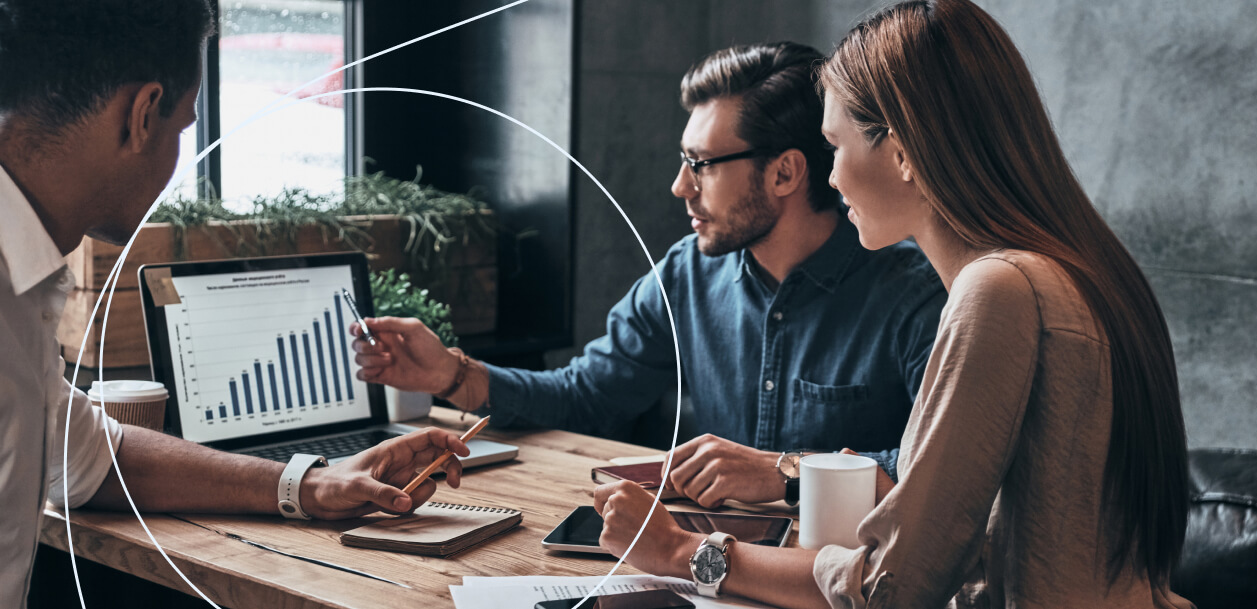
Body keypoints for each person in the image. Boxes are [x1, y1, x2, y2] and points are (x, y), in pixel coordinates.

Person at [592, 1, 1194, 608]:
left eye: (836, 147)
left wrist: (679, 551)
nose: (829, 178)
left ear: (903, 152)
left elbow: (891, 589)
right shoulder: (1077, 269)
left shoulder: (999, 291)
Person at [0, 2, 468, 607]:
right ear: (143, 115)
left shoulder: (24, 283)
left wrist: (313, 484)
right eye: (184, 127)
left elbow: (86, 455)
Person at [352, 42, 946, 509]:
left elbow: (937, 473)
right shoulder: (685, 276)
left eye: (701, 165)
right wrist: (451, 373)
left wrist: (785, 470)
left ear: (785, 174)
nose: (680, 186)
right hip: (688, 567)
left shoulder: (914, 295)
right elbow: (587, 397)